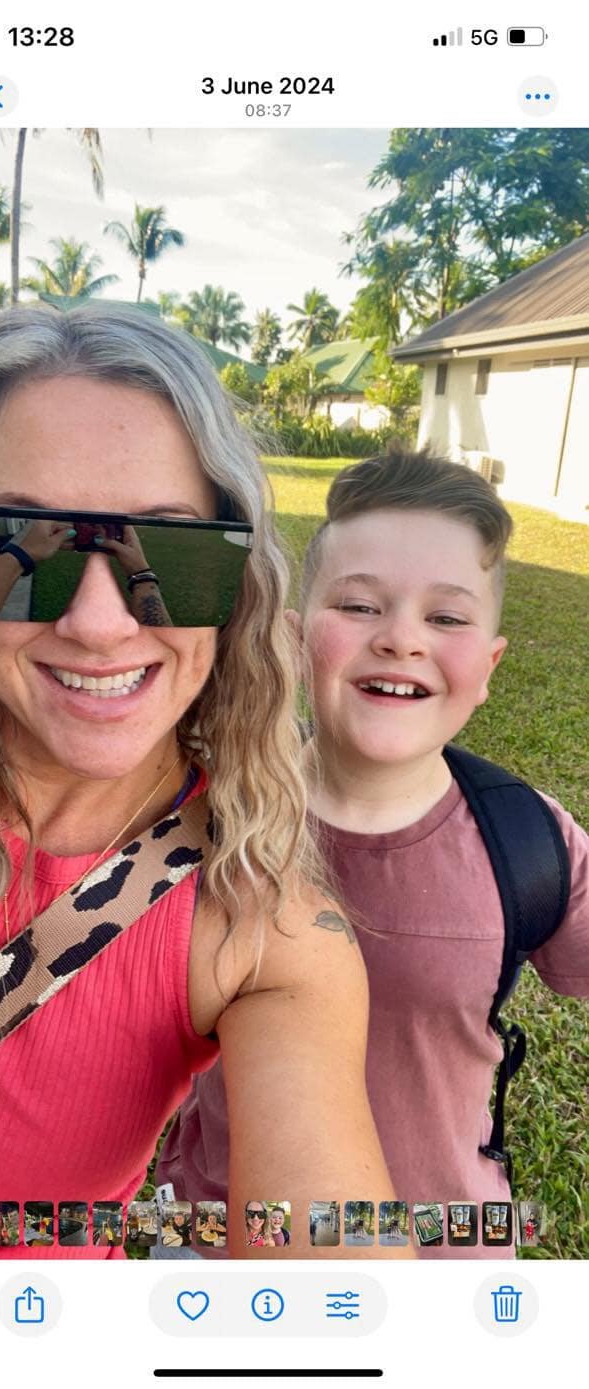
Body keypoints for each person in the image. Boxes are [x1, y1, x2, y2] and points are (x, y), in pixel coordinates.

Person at [0, 305, 405, 1261]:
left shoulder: (263, 936)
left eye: (173, 550)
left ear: (236, 585)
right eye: (23, 546)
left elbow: (341, 1290)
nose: (101, 623)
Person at [156, 448, 588, 1260]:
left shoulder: (529, 842)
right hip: (220, 1241)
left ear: (489, 666)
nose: (401, 640)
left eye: (448, 618)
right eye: (359, 605)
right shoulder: (196, 818)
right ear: (292, 639)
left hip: (444, 1257)